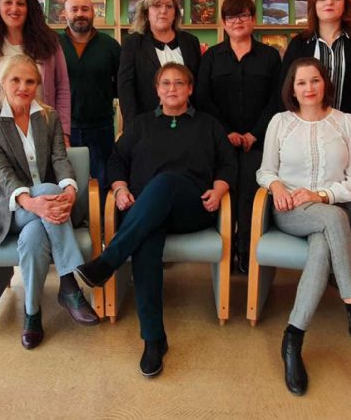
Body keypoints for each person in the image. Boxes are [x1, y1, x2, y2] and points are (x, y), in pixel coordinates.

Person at [76, 62, 236, 377]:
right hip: (145, 212)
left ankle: (108, 260)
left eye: (179, 83)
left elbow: (229, 163)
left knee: (165, 182)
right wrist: (120, 189)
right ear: (157, 90)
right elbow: (115, 161)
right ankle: (153, 339)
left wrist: (219, 190)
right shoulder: (140, 125)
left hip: (192, 208)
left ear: (190, 89)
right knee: (146, 240)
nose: (172, 88)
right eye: (165, 83)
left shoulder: (208, 124)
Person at [257, 57, 351, 396]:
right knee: (337, 219)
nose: (309, 88)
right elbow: (265, 171)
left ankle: (293, 340)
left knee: (323, 244)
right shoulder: (280, 122)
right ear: (292, 89)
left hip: (330, 207)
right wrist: (276, 187)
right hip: (291, 211)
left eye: (315, 80)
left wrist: (321, 195)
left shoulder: (346, 122)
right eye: (301, 82)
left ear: (326, 83)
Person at [0, 54, 99, 350]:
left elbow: (60, 158)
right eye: (16, 80)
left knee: (33, 237)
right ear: (2, 82)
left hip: (50, 209)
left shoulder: (49, 117)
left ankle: (31, 313)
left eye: (30, 81)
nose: (23, 87)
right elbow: (1, 172)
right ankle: (69, 284)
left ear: (38, 84)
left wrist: (70, 190)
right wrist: (31, 202)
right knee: (45, 188)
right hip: (13, 209)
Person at [195, 0, 281, 273]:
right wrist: (227, 132)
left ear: (253, 20)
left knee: (251, 194)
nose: (237, 21)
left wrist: (254, 133)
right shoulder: (211, 57)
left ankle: (246, 251)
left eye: (244, 15)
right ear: (223, 23)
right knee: (226, 192)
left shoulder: (270, 56)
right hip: (221, 141)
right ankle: (226, 250)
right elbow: (202, 98)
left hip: (259, 142)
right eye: (231, 17)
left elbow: (277, 99)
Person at [0, 0, 72, 139]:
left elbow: (62, 88)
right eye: (8, 2)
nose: (14, 8)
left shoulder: (49, 42)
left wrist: (64, 133)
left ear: (29, 8)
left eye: (20, 3)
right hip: (4, 135)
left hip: (45, 130)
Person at [279, 0, 351, 117]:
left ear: (346, 4)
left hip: (349, 125)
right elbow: (285, 89)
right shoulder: (299, 43)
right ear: (314, 5)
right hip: (306, 125)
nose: (329, 3)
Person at [59, 0, 121, 199]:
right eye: (74, 9)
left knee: (103, 179)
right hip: (63, 128)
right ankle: (73, 216)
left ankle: (103, 218)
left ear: (94, 13)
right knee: (66, 180)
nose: (80, 14)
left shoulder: (110, 45)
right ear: (65, 14)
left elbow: (121, 84)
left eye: (85, 9)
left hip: (101, 127)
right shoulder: (53, 45)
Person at [117, 0, 201, 127]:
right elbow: (125, 87)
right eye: (156, 6)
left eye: (169, 6)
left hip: (188, 121)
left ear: (175, 13)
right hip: (147, 123)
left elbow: (198, 84)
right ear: (146, 12)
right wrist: (132, 126)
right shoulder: (132, 43)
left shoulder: (191, 42)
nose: (163, 11)